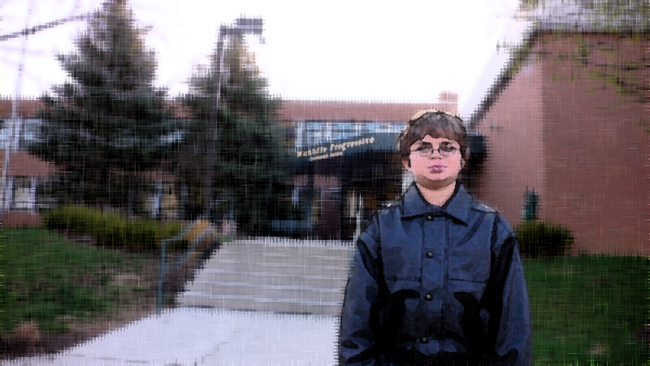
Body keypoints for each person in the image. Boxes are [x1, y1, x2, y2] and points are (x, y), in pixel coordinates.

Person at [338, 110, 532, 365]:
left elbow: (512, 330)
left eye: (447, 147)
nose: (435, 154)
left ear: (463, 159)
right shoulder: (381, 229)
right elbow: (356, 326)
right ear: (407, 161)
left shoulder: (493, 230)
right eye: (423, 147)